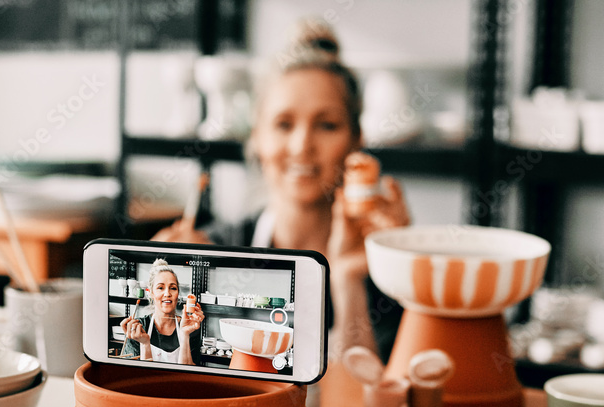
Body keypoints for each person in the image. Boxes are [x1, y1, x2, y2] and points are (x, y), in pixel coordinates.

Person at [153, 19, 409, 362]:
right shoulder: (214, 251)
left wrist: (350, 281)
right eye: (284, 124)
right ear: (256, 137)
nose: (302, 145)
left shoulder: (381, 270)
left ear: (356, 140)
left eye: (327, 125)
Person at [120, 259, 204, 365]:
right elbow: (135, 376)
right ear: (150, 293)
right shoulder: (139, 328)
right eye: (160, 288)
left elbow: (190, 376)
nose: (167, 293)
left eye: (173, 288)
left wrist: (185, 334)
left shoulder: (190, 327)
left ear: (178, 294)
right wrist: (145, 344)